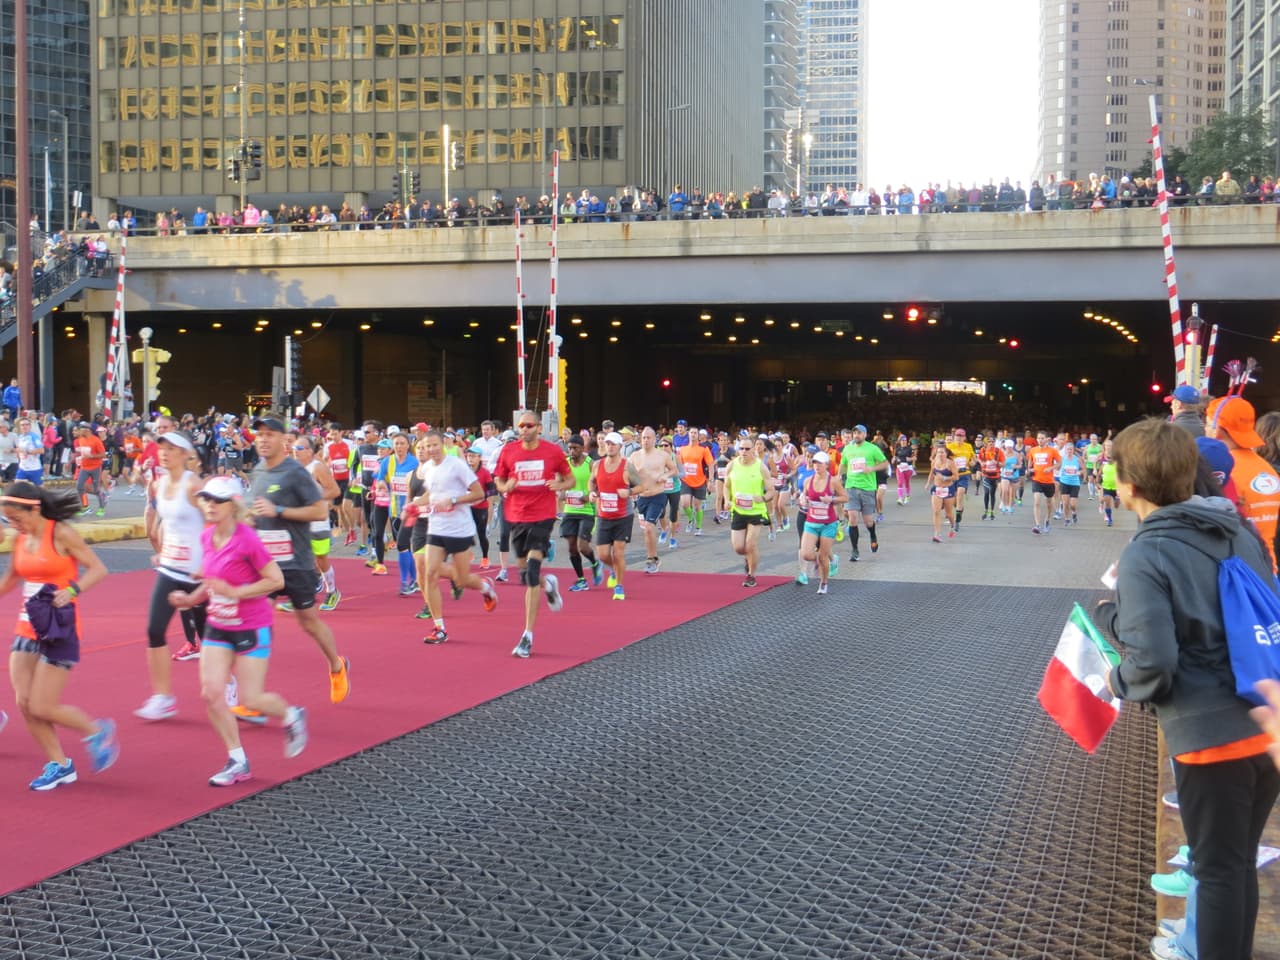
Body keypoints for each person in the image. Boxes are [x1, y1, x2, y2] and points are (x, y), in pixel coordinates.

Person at [1100, 418, 1279, 960]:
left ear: (1127, 485)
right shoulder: (1235, 529)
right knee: (1234, 864)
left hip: (1209, 734)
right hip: (1264, 720)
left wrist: (1116, 679)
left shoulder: (1146, 552)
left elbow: (1153, 665)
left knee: (1218, 869)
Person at [169, 476, 308, 786]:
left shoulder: (248, 540)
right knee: (211, 693)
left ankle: (290, 715)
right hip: (218, 625)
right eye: (206, 499)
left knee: (253, 698)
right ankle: (238, 760)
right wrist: (190, 599)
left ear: (233, 505)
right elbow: (210, 580)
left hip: (252, 625)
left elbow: (275, 581)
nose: (210, 506)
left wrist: (235, 592)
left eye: (217, 501)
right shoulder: (207, 537)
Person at [0, 480, 117, 790]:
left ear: (34, 509)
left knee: (42, 706)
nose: (14, 525)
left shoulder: (61, 533)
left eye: (17, 518)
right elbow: (12, 578)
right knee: (24, 702)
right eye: (8, 520)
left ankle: (96, 730)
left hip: (59, 629)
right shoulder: (22, 539)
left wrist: (72, 590)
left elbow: (97, 569)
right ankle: (60, 764)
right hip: (27, 626)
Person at [246, 418, 351, 703]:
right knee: (259, 624)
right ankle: (252, 695)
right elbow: (256, 512)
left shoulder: (295, 473)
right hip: (266, 566)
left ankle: (337, 666)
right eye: (260, 435)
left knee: (308, 623)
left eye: (270, 435)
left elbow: (319, 511)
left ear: (284, 440)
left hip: (298, 563)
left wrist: (277, 509)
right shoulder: (257, 471)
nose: (263, 440)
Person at [134, 431, 207, 721]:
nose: (163, 453)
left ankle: (227, 685)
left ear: (186, 454)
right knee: (154, 629)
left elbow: (214, 522)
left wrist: (214, 563)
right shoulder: (159, 482)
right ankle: (163, 697)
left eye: (171, 448)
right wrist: (161, 549)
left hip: (198, 570)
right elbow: (168, 521)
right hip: (169, 568)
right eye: (161, 447)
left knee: (209, 638)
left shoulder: (194, 485)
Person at [493, 411, 574, 658]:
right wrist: (505, 486)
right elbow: (499, 479)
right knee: (525, 572)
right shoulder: (509, 451)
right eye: (520, 425)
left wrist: (559, 486)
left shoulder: (552, 451)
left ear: (539, 428)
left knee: (532, 571)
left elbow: (569, 479)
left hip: (543, 515)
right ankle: (548, 585)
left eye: (528, 425)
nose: (523, 429)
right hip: (516, 515)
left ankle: (527, 636)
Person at [411, 430, 497, 644]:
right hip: (436, 527)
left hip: (460, 529)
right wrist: (413, 504)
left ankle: (486, 588)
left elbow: (478, 493)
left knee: (462, 579)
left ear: (443, 445)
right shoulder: (428, 468)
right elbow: (432, 494)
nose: (430, 449)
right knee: (430, 574)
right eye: (426, 446)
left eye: (434, 445)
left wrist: (455, 499)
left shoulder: (457, 465)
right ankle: (439, 628)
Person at [590, 432, 641, 600]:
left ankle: (619, 586)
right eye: (607, 443)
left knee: (618, 553)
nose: (609, 446)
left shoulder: (627, 466)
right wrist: (592, 492)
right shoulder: (597, 465)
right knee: (603, 554)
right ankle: (613, 569)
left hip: (623, 516)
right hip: (604, 515)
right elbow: (592, 481)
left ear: (620, 446)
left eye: (613, 444)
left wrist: (629, 491)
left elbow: (642, 485)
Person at [724, 436, 774, 587]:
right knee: (740, 548)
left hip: (756, 512)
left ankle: (751, 575)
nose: (744, 451)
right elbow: (726, 486)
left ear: (753, 450)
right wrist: (727, 500)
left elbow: (771, 491)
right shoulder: (732, 466)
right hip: (738, 511)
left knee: (750, 545)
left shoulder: (761, 467)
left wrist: (763, 498)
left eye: (747, 449)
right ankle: (748, 558)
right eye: (741, 448)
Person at [797, 451, 848, 594]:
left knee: (823, 556)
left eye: (820, 463)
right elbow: (803, 497)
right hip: (811, 522)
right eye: (815, 463)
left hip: (828, 524)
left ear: (826, 465)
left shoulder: (833, 481)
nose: (817, 466)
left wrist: (831, 500)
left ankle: (824, 582)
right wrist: (803, 500)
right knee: (806, 554)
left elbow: (845, 498)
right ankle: (823, 561)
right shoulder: (809, 481)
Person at [559, 435, 603, 591]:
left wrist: (589, 495)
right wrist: (562, 491)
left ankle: (595, 563)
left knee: (582, 546)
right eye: (569, 448)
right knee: (571, 547)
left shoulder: (590, 464)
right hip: (570, 510)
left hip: (587, 510)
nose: (572, 451)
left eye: (575, 448)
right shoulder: (565, 464)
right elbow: (560, 481)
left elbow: (600, 484)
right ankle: (581, 579)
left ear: (582, 448)